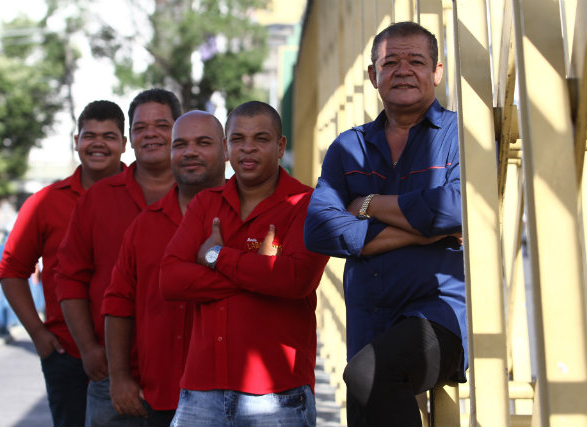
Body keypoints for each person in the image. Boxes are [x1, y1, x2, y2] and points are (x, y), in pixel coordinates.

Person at [303, 22, 467, 427]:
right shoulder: (348, 146)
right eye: (390, 62)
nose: (403, 70)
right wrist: (423, 227)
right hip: (368, 319)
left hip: (440, 314)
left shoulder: (460, 134)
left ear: (437, 71)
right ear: (374, 76)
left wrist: (370, 204)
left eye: (416, 61)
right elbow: (320, 229)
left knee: (369, 374)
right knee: (363, 390)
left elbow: (458, 209)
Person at [159, 101, 329, 427]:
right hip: (201, 389)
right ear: (225, 147)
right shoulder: (205, 203)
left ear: (281, 147)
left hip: (277, 393)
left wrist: (216, 257)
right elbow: (170, 280)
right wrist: (260, 271)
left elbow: (295, 280)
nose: (247, 148)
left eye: (261, 139)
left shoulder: (307, 205)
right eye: (238, 139)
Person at [55, 88, 181, 427]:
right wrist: (88, 348)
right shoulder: (97, 199)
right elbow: (69, 277)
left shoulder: (203, 198)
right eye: (141, 127)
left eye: (162, 125)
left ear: (179, 131)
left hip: (186, 378)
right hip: (112, 374)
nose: (150, 133)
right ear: (131, 139)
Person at [0, 100, 127, 427]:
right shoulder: (45, 202)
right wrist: (38, 336)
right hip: (68, 355)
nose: (98, 143)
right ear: (76, 140)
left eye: (109, 136)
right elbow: (12, 271)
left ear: (125, 144)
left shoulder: (148, 194)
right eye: (89, 135)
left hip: (137, 354)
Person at [101, 110, 227, 427]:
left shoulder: (250, 218)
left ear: (225, 149)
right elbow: (118, 303)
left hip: (233, 398)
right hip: (159, 399)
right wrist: (119, 377)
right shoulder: (144, 225)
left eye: (203, 142)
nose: (190, 152)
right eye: (180, 144)